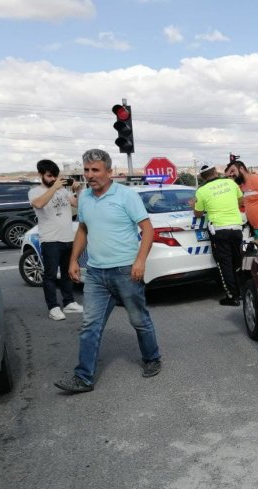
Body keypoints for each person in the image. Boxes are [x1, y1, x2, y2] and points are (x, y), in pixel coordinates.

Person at [54, 149, 161, 394]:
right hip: (95, 274)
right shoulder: (84, 198)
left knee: (139, 320)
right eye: (87, 170)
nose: (90, 175)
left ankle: (152, 358)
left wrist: (140, 261)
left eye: (95, 170)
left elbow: (148, 230)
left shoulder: (126, 196)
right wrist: (73, 260)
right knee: (90, 325)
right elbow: (83, 229)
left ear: (109, 172)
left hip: (126, 271)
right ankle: (83, 378)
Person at [29, 160, 83, 321]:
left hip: (67, 237)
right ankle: (53, 307)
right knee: (50, 275)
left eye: (55, 176)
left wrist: (78, 190)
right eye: (49, 176)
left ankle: (69, 302)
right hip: (50, 239)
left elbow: (78, 204)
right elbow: (38, 204)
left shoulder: (63, 192)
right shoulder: (35, 191)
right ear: (41, 175)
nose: (53, 179)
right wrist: (54, 187)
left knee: (68, 273)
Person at [193, 164, 244, 306]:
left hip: (219, 230)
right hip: (236, 227)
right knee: (237, 261)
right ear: (215, 171)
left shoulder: (201, 191)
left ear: (202, 178)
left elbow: (198, 213)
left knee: (225, 263)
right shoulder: (230, 183)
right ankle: (243, 292)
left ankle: (232, 296)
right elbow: (241, 201)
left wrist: (194, 206)